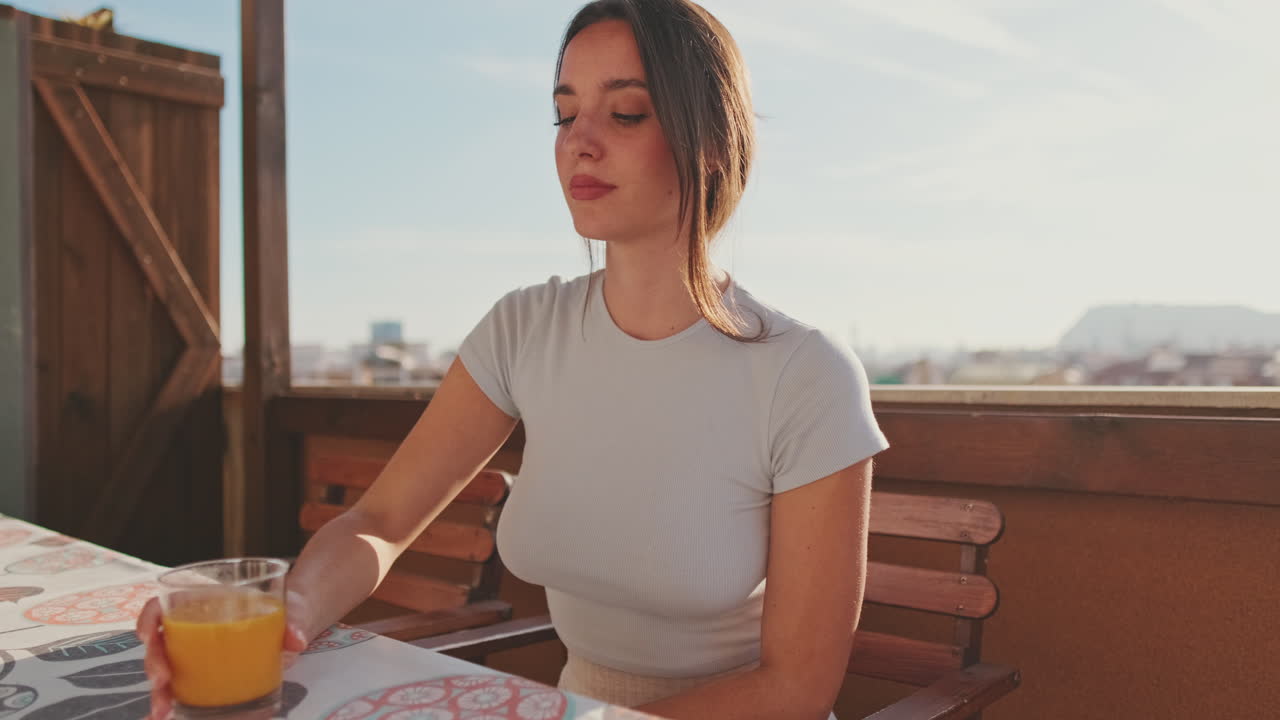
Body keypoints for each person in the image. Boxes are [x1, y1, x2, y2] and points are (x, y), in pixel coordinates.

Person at [139, 1, 888, 718]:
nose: (579, 141)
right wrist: (290, 614)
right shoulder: (524, 329)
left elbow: (795, 692)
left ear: (712, 142)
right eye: (564, 114)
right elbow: (381, 519)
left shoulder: (805, 376)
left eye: (625, 112)